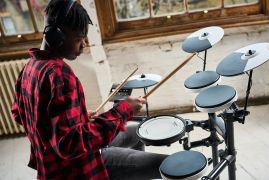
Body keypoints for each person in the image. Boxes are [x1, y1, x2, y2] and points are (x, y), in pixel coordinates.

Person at [11, 0, 167, 179]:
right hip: (75, 168)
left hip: (49, 166)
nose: (83, 45)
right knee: (162, 164)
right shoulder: (59, 76)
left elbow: (18, 113)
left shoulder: (30, 67)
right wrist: (123, 110)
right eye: (78, 39)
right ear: (57, 36)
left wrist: (77, 117)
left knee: (137, 132)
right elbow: (71, 145)